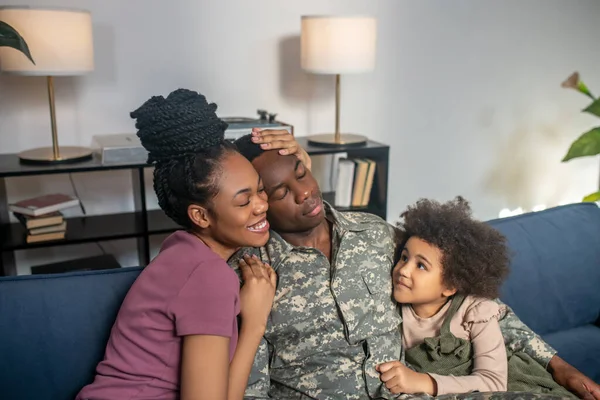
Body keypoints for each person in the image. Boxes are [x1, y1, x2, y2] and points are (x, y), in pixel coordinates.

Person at [230, 130, 600, 400]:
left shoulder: (374, 234)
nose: (305, 192)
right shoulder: (253, 276)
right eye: (281, 192)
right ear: (258, 201)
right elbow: (251, 387)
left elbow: (475, 306)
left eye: (301, 173)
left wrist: (558, 365)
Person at [76, 89, 277, 400]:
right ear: (200, 215)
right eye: (243, 201)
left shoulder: (180, 248)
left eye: (261, 190)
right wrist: (255, 322)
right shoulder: (209, 275)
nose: (262, 205)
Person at [377, 197, 575, 399]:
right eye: (404, 257)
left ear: (450, 285)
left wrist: (423, 381)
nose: (403, 270)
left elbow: (494, 382)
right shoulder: (388, 309)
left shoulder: (475, 311)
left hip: (522, 389)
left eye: (421, 266)